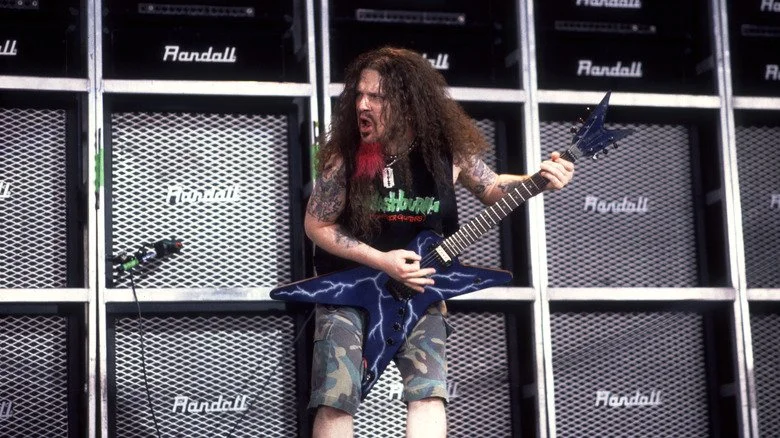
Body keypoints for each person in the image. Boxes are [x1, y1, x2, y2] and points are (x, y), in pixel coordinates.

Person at [304, 46, 574, 438]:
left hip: (420, 290)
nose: (362, 105)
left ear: (409, 104)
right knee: (336, 398)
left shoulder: (447, 152)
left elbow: (494, 187)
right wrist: (381, 260)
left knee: (429, 395)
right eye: (359, 94)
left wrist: (538, 181)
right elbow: (317, 225)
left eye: (376, 97)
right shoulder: (345, 157)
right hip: (349, 291)